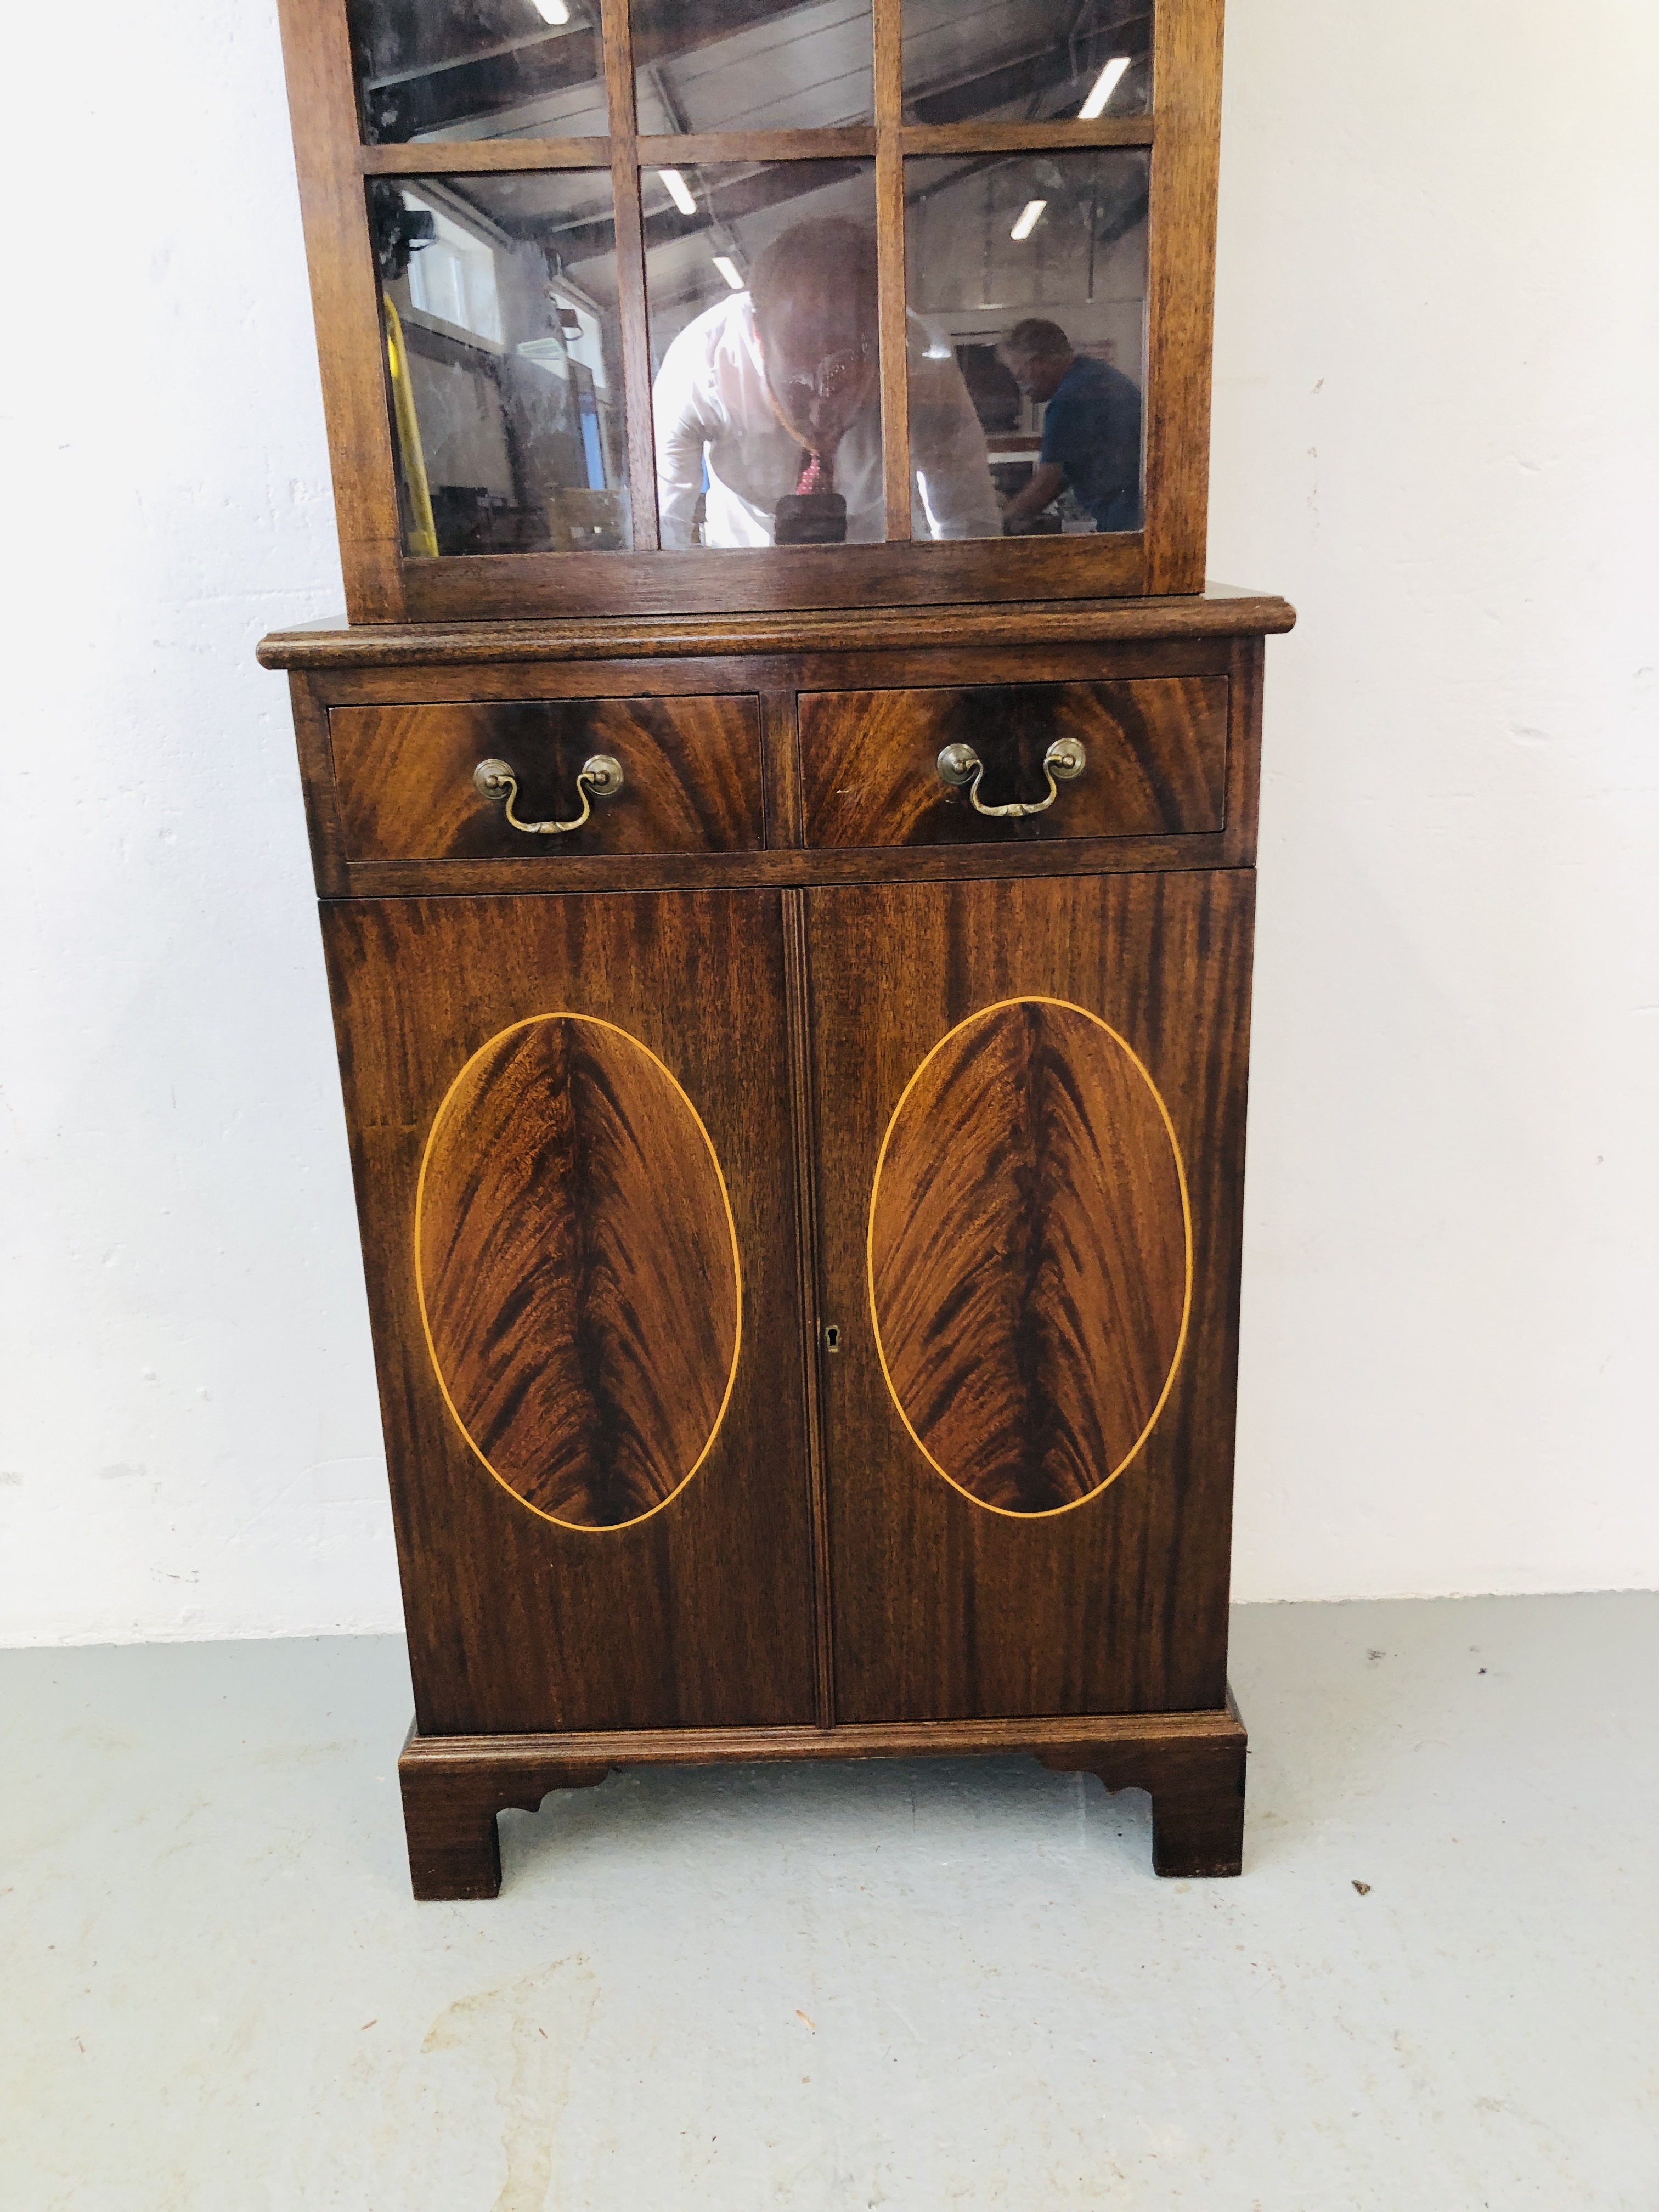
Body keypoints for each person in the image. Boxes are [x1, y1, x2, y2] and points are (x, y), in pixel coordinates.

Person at [653, 217, 1000, 548]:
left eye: (842, 378)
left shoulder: (924, 365)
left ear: (884, 343)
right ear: (759, 337)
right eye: (800, 384)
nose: (822, 412)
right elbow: (661, 528)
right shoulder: (702, 364)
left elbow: (967, 522)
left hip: (874, 553)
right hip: (746, 555)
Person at [997, 318, 1143, 535]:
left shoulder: (1070, 401)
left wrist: (998, 523)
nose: (1022, 388)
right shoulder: (1094, 375)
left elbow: (1047, 485)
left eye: (1019, 377)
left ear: (1038, 364)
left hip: (1126, 523)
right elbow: (1064, 474)